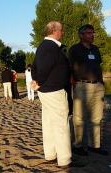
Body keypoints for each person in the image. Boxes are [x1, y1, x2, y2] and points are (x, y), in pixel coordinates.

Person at [31, 21, 83, 168]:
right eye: (61, 30)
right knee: (61, 125)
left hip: (46, 92)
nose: (63, 32)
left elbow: (34, 67)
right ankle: (65, 160)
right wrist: (39, 81)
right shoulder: (51, 47)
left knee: (48, 124)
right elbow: (44, 68)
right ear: (54, 31)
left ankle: (51, 155)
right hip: (54, 91)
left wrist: (37, 81)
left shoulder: (42, 46)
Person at [69, 24, 108, 156]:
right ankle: (78, 145)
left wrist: (102, 84)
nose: (92, 35)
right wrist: (73, 84)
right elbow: (69, 69)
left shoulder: (96, 49)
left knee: (97, 117)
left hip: (98, 86)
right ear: (81, 35)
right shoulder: (74, 49)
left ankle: (94, 146)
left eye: (93, 32)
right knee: (79, 117)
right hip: (81, 86)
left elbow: (98, 66)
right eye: (89, 33)